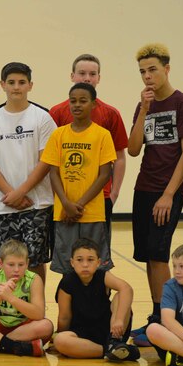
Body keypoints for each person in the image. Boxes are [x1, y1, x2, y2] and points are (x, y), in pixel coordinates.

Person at [127, 43, 183, 346]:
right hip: (143, 188)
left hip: (167, 191)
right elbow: (132, 150)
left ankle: (166, 318)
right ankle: (158, 315)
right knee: (148, 257)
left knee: (159, 254)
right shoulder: (144, 104)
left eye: (152, 69)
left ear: (166, 69)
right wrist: (143, 110)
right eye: (143, 71)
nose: (147, 76)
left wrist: (169, 194)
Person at [0, 61, 57, 279]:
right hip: (5, 205)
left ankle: (36, 307)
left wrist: (22, 192)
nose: (16, 87)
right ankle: (4, 307)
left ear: (30, 85)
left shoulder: (42, 118)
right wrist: (12, 194)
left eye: (22, 82)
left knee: (34, 261)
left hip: (37, 204)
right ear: (2, 85)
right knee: (5, 262)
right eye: (11, 82)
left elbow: (46, 161)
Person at [48, 53, 129, 251]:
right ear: (72, 76)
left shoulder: (111, 114)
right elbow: (51, 162)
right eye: (82, 73)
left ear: (99, 78)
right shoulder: (57, 113)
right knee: (66, 255)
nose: (87, 78)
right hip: (64, 200)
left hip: (99, 199)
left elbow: (119, 158)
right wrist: (60, 199)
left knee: (96, 255)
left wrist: (115, 192)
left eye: (92, 74)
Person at [41, 82, 115, 276]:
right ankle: (68, 306)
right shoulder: (58, 134)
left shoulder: (102, 135)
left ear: (94, 105)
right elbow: (53, 172)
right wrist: (66, 203)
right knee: (68, 266)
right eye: (73, 101)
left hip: (92, 213)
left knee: (96, 268)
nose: (77, 105)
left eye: (83, 101)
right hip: (64, 213)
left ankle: (99, 306)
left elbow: (105, 174)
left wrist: (79, 204)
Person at [52, 237, 139, 361]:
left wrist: (119, 320)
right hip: (81, 334)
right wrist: (57, 339)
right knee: (60, 341)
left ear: (98, 262)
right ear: (72, 263)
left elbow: (127, 289)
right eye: (79, 260)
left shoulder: (103, 276)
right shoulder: (67, 283)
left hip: (111, 329)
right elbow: (64, 317)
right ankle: (111, 351)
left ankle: (114, 343)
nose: (85, 264)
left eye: (90, 260)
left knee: (120, 296)